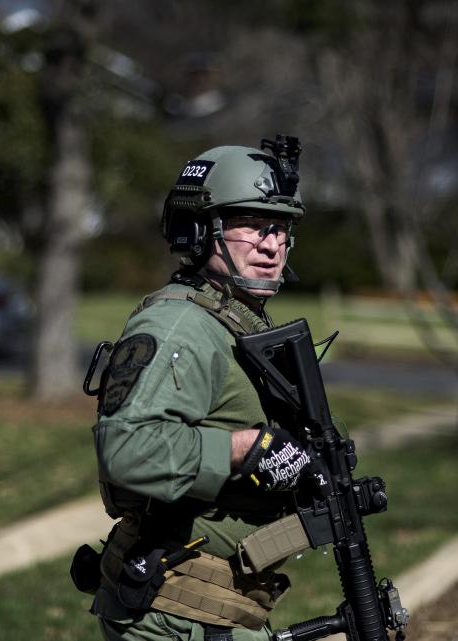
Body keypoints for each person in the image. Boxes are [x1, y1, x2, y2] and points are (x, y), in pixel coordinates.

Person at [86, 136, 315, 641]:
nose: (272, 243)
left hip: (216, 607)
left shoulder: (232, 318)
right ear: (201, 230)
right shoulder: (177, 327)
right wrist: (244, 449)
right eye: (252, 225)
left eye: (280, 228)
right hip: (174, 611)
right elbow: (125, 450)